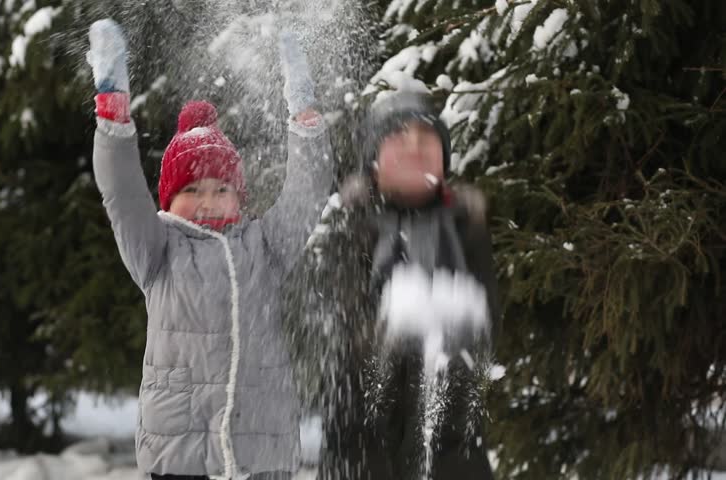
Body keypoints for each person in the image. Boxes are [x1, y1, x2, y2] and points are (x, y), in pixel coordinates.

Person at [86, 18, 333, 479]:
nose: (207, 201)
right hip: (181, 452)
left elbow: (310, 192)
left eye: (222, 188)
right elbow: (121, 193)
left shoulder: (263, 246)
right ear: (169, 200)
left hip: (261, 451)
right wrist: (113, 114)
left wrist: (304, 114)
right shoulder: (157, 250)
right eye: (193, 189)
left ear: (241, 198)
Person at [299, 91, 498, 480]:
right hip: (359, 455)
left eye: (427, 139)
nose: (414, 147)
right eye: (398, 137)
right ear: (372, 162)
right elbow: (329, 338)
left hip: (453, 455)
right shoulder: (346, 226)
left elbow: (485, 337)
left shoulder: (465, 229)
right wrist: (387, 333)